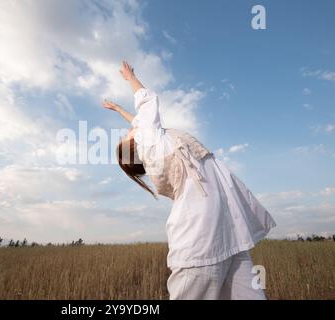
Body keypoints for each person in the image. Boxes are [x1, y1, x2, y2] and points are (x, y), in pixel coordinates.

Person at [102, 60, 277, 300]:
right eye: (126, 136)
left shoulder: (157, 145)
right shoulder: (153, 146)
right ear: (135, 146)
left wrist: (117, 108)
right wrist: (130, 77)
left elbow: (137, 122)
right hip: (200, 245)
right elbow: (147, 101)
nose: (129, 129)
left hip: (229, 237)